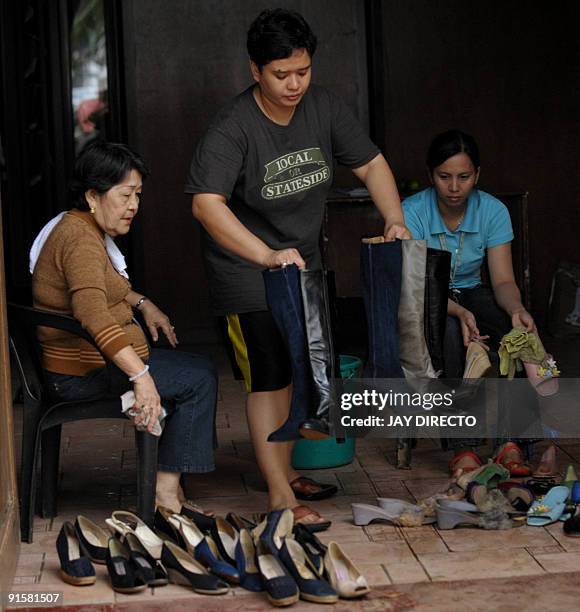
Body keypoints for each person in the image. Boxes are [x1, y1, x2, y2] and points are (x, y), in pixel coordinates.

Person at [186, 8, 410, 526]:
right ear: (254, 72)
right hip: (245, 270)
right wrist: (263, 254)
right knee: (270, 374)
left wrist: (394, 218)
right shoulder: (233, 126)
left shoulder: (324, 108)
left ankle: (286, 473)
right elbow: (206, 204)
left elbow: (371, 163)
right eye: (280, 74)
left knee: (301, 367)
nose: (293, 84)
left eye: (302, 72)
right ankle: (280, 499)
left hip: (299, 266)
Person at [31, 141, 217, 514]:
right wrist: (142, 376)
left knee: (197, 368)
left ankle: (171, 480)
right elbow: (92, 313)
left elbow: (108, 287)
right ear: (93, 196)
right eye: (126, 194)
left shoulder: (79, 227)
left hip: (85, 365)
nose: (134, 205)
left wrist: (144, 304)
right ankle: (165, 493)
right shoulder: (79, 241)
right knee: (199, 379)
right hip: (83, 373)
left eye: (138, 195)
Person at [403, 129, 540, 476]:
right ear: (430, 175)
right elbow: (418, 286)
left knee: (515, 332)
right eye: (444, 177)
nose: (453, 187)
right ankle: (463, 447)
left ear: (477, 174)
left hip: (473, 290)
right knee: (450, 335)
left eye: (463, 177)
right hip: (428, 298)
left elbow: (504, 281)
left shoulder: (492, 210)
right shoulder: (412, 213)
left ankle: (513, 442)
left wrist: (516, 310)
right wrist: (459, 311)